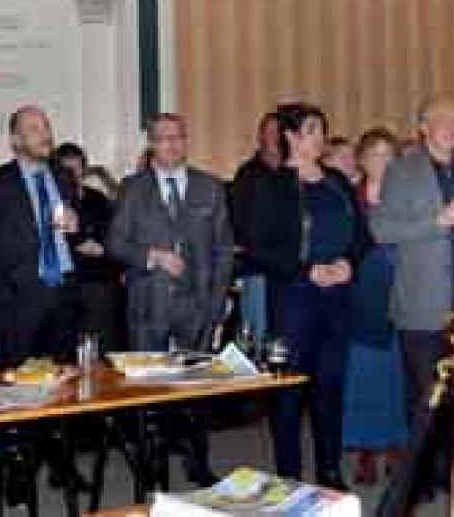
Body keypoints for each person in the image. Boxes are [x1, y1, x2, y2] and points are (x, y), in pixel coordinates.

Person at [370, 95, 454, 507]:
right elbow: (382, 228)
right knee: (426, 400)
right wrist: (436, 222)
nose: (452, 127)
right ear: (423, 128)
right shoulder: (401, 169)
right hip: (423, 305)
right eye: (441, 120)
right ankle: (419, 477)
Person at [106, 113, 234, 485]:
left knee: (196, 391)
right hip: (149, 306)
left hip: (198, 306)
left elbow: (225, 250)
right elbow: (115, 243)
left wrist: (218, 299)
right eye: (163, 139)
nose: (172, 145)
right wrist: (153, 257)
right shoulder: (133, 188)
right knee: (150, 391)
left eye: (178, 137)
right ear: (151, 144)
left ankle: (198, 462)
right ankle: (153, 464)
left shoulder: (210, 188)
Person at [248, 103, 370, 489]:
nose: (320, 137)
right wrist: (306, 269)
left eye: (321, 129)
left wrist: (350, 262)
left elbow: (362, 235)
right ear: (291, 137)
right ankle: (289, 476)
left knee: (331, 386)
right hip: (295, 298)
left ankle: (330, 471)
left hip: (338, 297)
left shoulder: (337, 180)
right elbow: (258, 246)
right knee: (289, 390)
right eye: (312, 130)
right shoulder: (271, 184)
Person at [0, 105, 82, 366]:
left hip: (65, 297)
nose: (45, 134)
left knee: (66, 388)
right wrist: (4, 300)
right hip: (20, 303)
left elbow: (74, 238)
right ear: (15, 140)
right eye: (34, 129)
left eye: (46, 127)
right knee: (22, 392)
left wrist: (76, 227)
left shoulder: (64, 177)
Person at [342, 128, 407, 485]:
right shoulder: (350, 197)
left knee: (398, 374)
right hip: (362, 291)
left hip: (403, 292)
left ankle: (396, 447)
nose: (382, 161)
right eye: (375, 154)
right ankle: (366, 451)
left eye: (389, 154)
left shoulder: (408, 198)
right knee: (364, 373)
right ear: (363, 160)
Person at [54, 141, 126, 352]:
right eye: (66, 169)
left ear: (84, 169)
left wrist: (99, 247)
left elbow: (112, 236)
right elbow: (62, 240)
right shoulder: (55, 201)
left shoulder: (98, 198)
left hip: (102, 282)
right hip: (71, 284)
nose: (72, 174)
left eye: (76, 168)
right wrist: (82, 242)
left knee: (104, 347)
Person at [231, 111, 283, 347]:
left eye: (279, 132)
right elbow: (241, 224)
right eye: (270, 132)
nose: (275, 137)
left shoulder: (295, 171)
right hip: (258, 267)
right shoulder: (248, 174)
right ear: (260, 137)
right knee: (258, 338)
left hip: (291, 268)